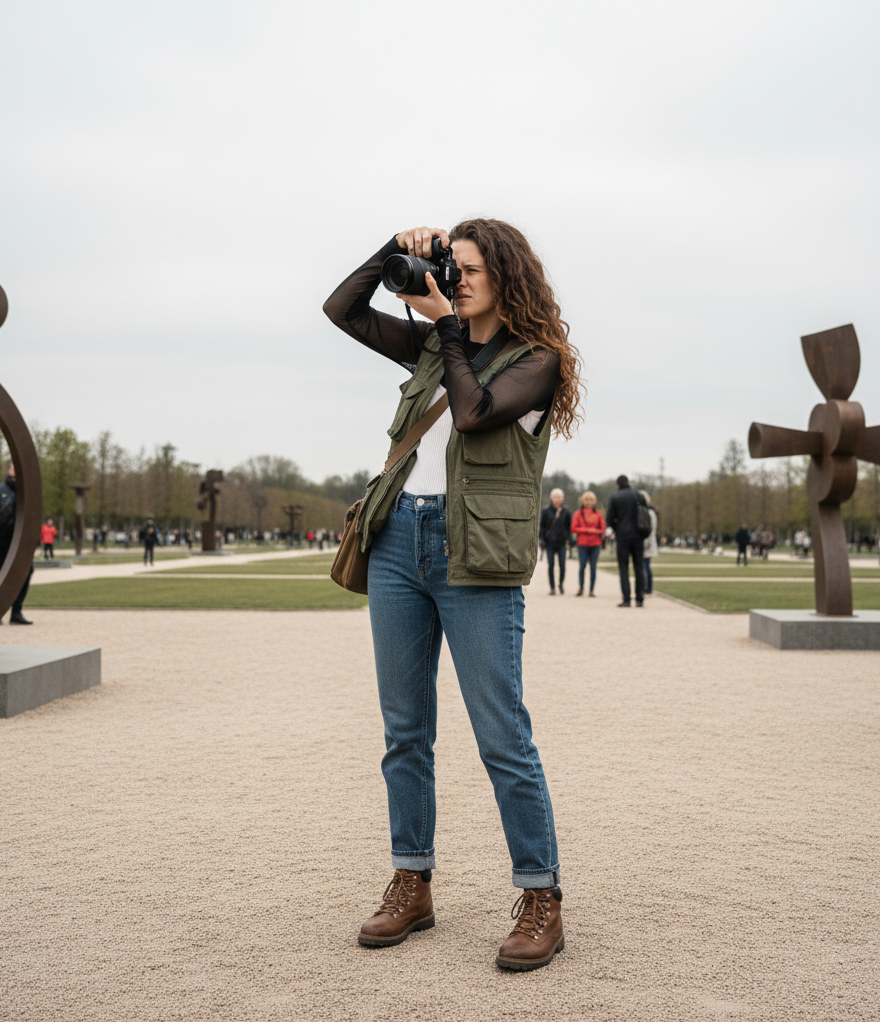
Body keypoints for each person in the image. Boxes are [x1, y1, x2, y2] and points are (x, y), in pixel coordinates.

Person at [324, 220, 582, 971]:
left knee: (503, 736)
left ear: (506, 278)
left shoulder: (538, 359)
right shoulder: (441, 340)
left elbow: (471, 413)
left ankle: (542, 897)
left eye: (469, 270)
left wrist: (446, 329)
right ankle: (413, 881)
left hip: (477, 554)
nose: (456, 281)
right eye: (451, 268)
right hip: (401, 537)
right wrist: (391, 250)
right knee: (405, 729)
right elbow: (341, 310)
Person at [0, 464, 33, 624]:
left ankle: (16, 611)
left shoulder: (26, 491)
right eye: (14, 467)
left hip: (21, 540)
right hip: (3, 539)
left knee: (27, 571)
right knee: (3, 575)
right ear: (10, 471)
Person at [606, 475, 645, 607]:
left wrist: (618, 527)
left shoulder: (615, 497)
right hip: (638, 535)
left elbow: (610, 519)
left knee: (624, 568)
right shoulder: (639, 496)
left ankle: (627, 599)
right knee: (639, 567)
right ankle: (640, 598)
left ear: (617, 485)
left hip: (623, 535)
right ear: (628, 483)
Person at [570, 491, 605, 596]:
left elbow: (602, 528)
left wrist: (594, 531)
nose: (589, 502)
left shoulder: (598, 514)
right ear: (582, 501)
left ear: (594, 501)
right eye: (587, 499)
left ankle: (591, 590)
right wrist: (587, 530)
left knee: (593, 567)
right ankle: (581, 587)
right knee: (582, 566)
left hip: (595, 544)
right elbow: (573, 528)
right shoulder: (578, 513)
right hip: (583, 544)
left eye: (591, 500)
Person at [539, 488, 570, 594]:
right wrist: (542, 538)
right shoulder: (546, 510)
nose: (557, 499)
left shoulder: (565, 511)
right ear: (551, 498)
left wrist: (568, 539)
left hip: (561, 542)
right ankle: (552, 587)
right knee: (551, 565)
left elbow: (568, 527)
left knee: (562, 565)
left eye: (559, 497)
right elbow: (542, 526)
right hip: (550, 542)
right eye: (555, 497)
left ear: (562, 499)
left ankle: (561, 584)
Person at [639, 490, 659, 595]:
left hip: (647, 542)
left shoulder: (648, 513)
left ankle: (647, 588)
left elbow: (651, 529)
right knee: (645, 565)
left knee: (645, 566)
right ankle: (648, 587)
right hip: (647, 541)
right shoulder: (650, 512)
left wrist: (645, 542)